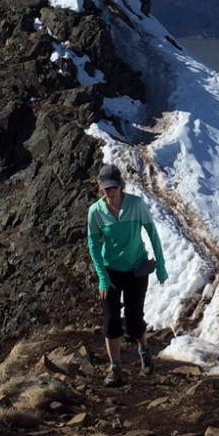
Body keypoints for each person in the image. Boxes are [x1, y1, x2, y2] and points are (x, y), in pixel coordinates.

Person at [86, 163, 168, 385]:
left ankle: (144, 351)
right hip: (111, 271)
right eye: (106, 188)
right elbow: (93, 244)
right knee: (111, 320)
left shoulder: (136, 205)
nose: (110, 192)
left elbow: (152, 233)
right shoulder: (96, 211)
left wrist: (160, 265)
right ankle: (115, 368)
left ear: (120, 185)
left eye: (113, 187)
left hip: (136, 269)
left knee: (134, 318)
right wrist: (102, 277)